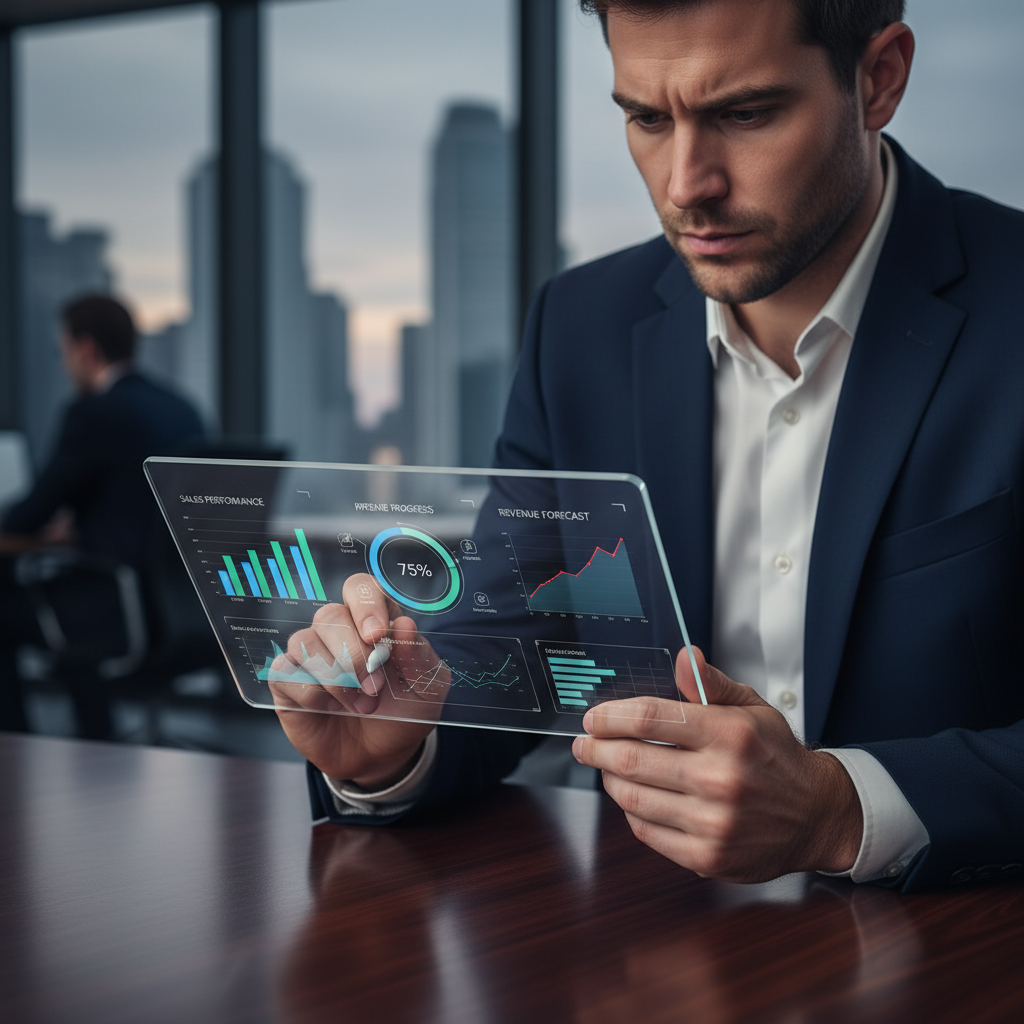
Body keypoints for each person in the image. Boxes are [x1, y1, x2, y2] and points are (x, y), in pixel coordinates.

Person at [279, 0, 1024, 893]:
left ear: (879, 79)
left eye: (744, 114)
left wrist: (843, 807)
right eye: (645, 118)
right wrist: (397, 746)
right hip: (642, 946)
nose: (685, 184)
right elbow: (509, 646)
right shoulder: (580, 327)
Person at [0, 294, 204, 735]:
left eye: (63, 353)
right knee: (64, 617)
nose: (63, 366)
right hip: (187, 609)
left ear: (86, 349)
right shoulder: (183, 409)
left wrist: (41, 526)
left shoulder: (94, 412)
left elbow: (26, 518)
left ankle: (15, 753)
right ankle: (95, 737)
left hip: (120, 602)